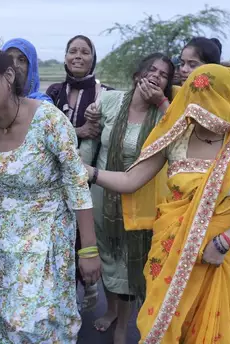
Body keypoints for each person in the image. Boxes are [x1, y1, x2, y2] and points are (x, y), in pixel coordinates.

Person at [85, 64, 230, 343]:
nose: (200, 106)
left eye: (209, 98)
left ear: (229, 99)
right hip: (170, 247)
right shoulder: (176, 136)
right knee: (163, 323)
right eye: (195, 96)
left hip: (218, 254)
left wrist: (223, 243)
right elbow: (131, 180)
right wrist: (91, 173)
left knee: (205, 327)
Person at [0, 45, 101, 343]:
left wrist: (88, 250)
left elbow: (77, 184)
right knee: (4, 322)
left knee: (42, 323)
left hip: (47, 242)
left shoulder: (49, 121)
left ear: (8, 75)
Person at [79, 53, 174, 343]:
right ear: (138, 74)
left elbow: (178, 132)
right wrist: (77, 175)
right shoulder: (110, 101)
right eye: (152, 70)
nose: (156, 76)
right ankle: (110, 311)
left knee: (129, 264)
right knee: (106, 258)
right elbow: (91, 139)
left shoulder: (163, 114)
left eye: (164, 74)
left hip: (139, 200)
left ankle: (122, 325)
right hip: (100, 196)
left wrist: (162, 103)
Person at [45, 34, 111, 311]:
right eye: (73, 51)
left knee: (85, 235)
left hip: (89, 178)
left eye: (85, 52)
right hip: (52, 180)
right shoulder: (53, 92)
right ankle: (62, 299)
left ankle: (88, 289)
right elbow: (42, 132)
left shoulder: (105, 93)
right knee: (58, 238)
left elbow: (111, 134)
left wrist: (99, 125)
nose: (78, 56)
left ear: (93, 59)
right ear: (65, 57)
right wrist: (79, 131)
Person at [1, 38, 52, 102]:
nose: (15, 65)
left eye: (21, 60)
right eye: (9, 59)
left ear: (31, 67)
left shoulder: (42, 104)